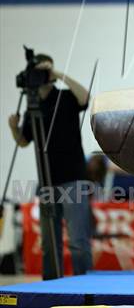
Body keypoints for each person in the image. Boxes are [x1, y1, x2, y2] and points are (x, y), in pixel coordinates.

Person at [8, 54, 93, 279]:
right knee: (49, 242)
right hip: (46, 180)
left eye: (43, 71)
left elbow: (86, 98)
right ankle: (52, 287)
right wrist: (14, 128)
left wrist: (58, 74)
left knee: (77, 240)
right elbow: (24, 141)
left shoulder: (65, 98)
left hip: (73, 177)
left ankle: (86, 288)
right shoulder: (33, 107)